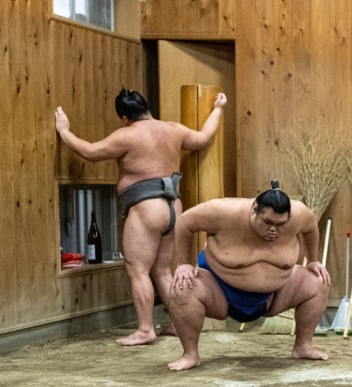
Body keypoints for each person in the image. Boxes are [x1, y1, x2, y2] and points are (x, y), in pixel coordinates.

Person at [55, 88, 228, 346]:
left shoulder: (127, 134)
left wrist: (64, 131)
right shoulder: (174, 129)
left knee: (138, 270)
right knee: (163, 272)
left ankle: (146, 329)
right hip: (173, 206)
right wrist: (218, 109)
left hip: (146, 208)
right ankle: (179, 324)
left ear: (125, 118)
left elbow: (90, 151)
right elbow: (204, 137)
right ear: (146, 108)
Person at [165, 183, 331, 371]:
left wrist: (313, 260)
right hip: (219, 292)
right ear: (254, 210)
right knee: (182, 286)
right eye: (267, 222)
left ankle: (303, 346)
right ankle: (190, 354)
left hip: (273, 296)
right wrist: (183, 264)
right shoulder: (224, 212)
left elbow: (311, 227)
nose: (273, 230)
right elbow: (184, 222)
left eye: (280, 225)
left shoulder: (300, 214)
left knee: (320, 280)